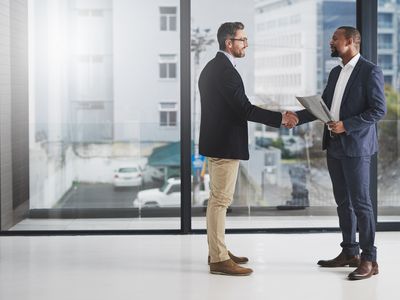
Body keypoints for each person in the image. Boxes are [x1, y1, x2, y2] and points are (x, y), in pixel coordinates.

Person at [198, 22, 297, 276]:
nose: (246, 44)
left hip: (218, 142)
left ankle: (217, 250)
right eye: (242, 40)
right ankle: (219, 258)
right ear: (229, 43)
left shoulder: (214, 68)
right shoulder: (225, 71)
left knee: (217, 200)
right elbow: (245, 108)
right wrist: (280, 118)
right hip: (224, 145)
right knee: (220, 201)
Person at [291, 26, 386, 280]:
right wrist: (293, 118)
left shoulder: (370, 71)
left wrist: (347, 124)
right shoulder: (335, 72)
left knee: (361, 204)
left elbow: (378, 110)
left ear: (352, 41)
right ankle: (349, 252)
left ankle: (369, 259)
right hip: (334, 146)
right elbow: (321, 108)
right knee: (343, 203)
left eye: (335, 38)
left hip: (356, 148)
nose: (330, 41)